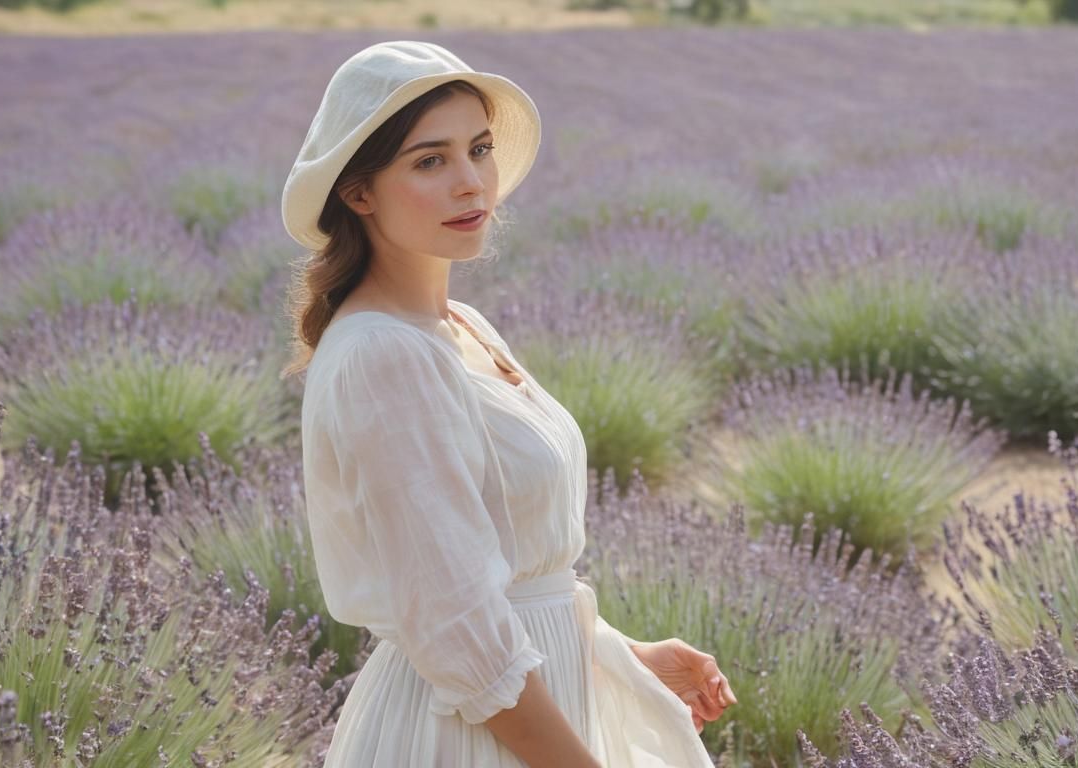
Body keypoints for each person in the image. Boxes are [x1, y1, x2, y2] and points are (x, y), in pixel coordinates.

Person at [280, 41, 736, 767]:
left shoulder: (459, 328)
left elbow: (507, 582)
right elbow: (456, 623)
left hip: (530, 712)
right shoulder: (384, 357)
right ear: (358, 192)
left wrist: (625, 654)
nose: (471, 183)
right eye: (430, 161)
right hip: (467, 736)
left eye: (480, 149)